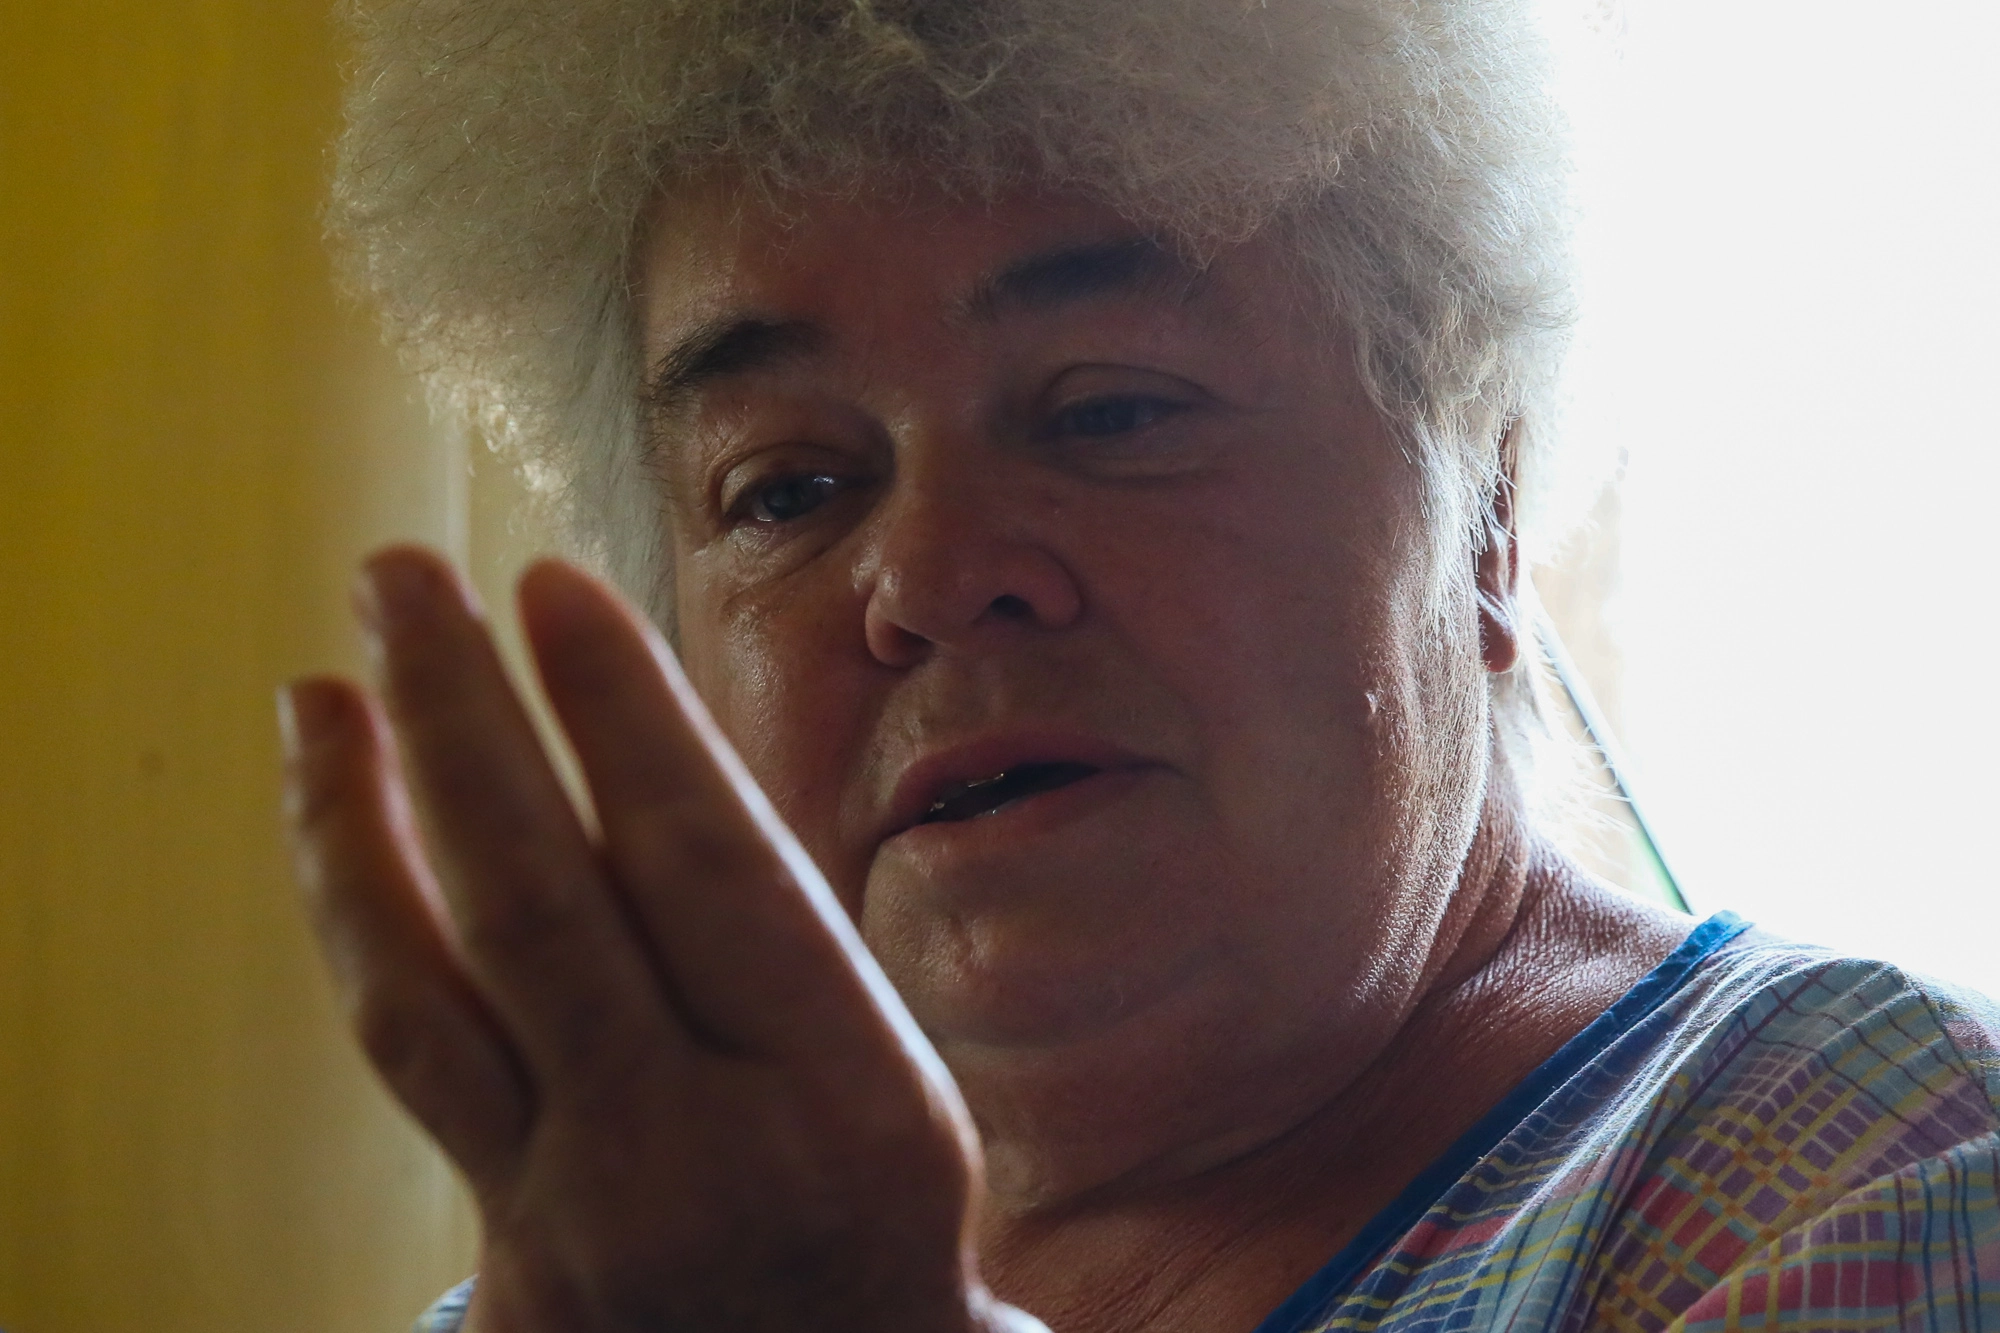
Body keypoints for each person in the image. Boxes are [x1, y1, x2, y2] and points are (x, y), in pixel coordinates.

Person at [281, 1, 2000, 1330]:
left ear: (1484, 501)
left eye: (1109, 411)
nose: (934, 580)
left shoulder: (1867, 1168)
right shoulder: (617, 1293)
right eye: (788, 489)